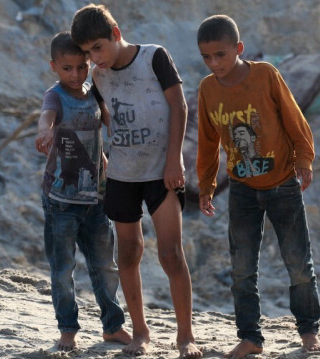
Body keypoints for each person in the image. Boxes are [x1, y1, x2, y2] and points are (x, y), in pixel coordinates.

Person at [70, 4, 202, 358]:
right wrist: (104, 159)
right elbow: (101, 120)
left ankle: (185, 335)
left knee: (171, 254)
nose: (94, 58)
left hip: (162, 172)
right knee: (128, 252)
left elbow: (180, 106)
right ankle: (140, 331)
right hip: (123, 174)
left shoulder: (154, 57)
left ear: (115, 33)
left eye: (97, 47)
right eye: (86, 53)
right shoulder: (98, 76)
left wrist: (175, 159)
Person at [195, 15, 320, 358]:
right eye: (206, 57)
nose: (214, 63)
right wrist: (206, 185)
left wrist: (304, 161)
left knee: (298, 263)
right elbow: (207, 143)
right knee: (241, 268)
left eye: (220, 55)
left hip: (282, 183)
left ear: (239, 49)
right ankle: (250, 336)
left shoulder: (266, 75)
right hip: (241, 189)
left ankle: (309, 331)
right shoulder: (207, 88)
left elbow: (293, 118)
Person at [35, 31, 131, 352]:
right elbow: (46, 118)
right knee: (63, 268)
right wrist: (44, 132)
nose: (75, 75)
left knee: (104, 264)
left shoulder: (94, 91)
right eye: (67, 69)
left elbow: (106, 123)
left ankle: (113, 326)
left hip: (96, 196)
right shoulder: (55, 97)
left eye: (81, 67)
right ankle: (67, 329)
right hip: (62, 200)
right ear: (54, 67)